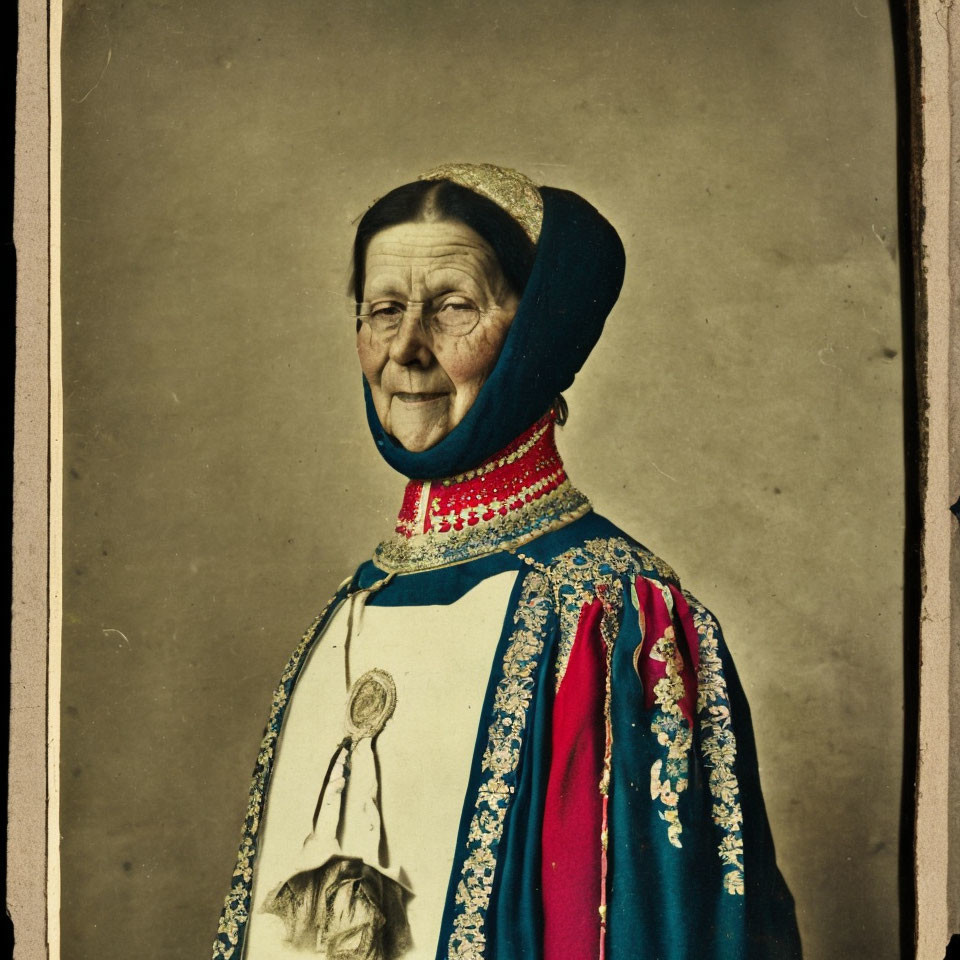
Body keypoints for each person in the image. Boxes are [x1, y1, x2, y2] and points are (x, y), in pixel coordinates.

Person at [212, 163, 802, 960]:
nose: (407, 351)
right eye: (383, 310)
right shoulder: (355, 603)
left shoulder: (617, 615)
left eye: (454, 307)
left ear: (535, 333)